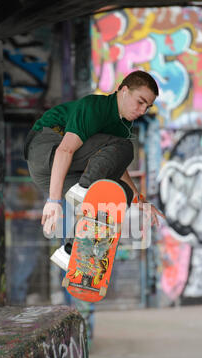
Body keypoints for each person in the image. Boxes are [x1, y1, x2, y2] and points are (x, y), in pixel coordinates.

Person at [24, 70, 164, 269]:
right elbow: (65, 149)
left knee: (117, 194)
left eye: (147, 107)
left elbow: (114, 165)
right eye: (140, 102)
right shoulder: (95, 107)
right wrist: (54, 200)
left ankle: (71, 252)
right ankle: (85, 193)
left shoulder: (121, 126)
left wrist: (138, 200)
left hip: (56, 173)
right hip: (46, 148)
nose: (142, 111)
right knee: (124, 147)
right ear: (124, 91)